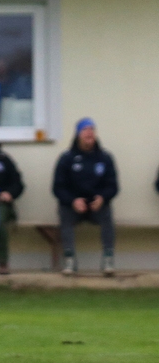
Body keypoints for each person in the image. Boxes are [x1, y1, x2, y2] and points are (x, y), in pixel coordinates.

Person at [52, 118, 119, 276]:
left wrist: (102, 198)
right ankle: (69, 260)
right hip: (74, 206)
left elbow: (113, 186)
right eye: (85, 130)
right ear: (78, 135)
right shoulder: (67, 158)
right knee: (64, 213)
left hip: (97, 206)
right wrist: (73, 200)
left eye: (92, 130)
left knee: (107, 213)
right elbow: (58, 187)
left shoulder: (105, 158)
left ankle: (108, 259)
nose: (89, 133)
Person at [0, 142, 25, 274]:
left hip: (1, 204)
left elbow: (18, 184)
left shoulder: (4, 160)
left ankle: (3, 263)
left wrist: (9, 193)